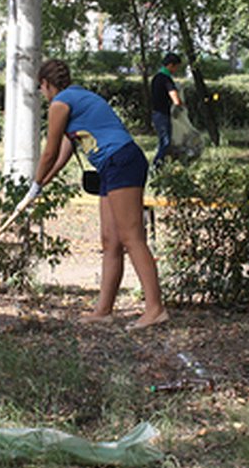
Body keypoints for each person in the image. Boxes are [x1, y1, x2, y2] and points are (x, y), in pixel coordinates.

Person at [20, 58, 168, 331]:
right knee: (110, 240)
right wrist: (40, 186)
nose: (42, 93)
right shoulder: (77, 99)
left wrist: (35, 182)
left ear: (46, 83)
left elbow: (49, 152)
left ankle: (155, 309)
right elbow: (63, 155)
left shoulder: (60, 104)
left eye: (41, 88)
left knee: (132, 237)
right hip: (110, 167)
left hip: (121, 161)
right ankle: (103, 311)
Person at [149, 52, 185, 168]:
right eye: (176, 67)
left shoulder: (156, 77)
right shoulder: (166, 79)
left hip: (156, 113)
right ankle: (155, 167)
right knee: (166, 142)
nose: (176, 70)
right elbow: (176, 99)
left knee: (163, 142)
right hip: (163, 114)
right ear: (170, 65)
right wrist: (182, 105)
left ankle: (163, 166)